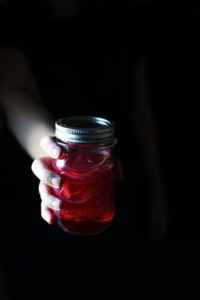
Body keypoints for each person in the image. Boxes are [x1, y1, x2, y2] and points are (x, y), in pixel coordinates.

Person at [0, 0, 167, 238]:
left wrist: (158, 194)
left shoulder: (128, 18)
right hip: (45, 205)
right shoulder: (13, 18)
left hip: (124, 185)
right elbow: (15, 94)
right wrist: (54, 155)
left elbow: (141, 113)